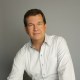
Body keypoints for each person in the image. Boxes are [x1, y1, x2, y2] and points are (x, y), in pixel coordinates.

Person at [7, 9, 75, 80]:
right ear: (26, 30)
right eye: (31, 25)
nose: (35, 28)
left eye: (39, 24)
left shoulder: (59, 42)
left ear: (45, 26)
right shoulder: (22, 54)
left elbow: (67, 75)